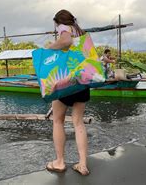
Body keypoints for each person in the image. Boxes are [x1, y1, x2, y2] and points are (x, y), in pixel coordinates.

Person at [45, 9, 90, 176]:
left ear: (58, 22)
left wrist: (51, 47)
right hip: (83, 80)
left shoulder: (64, 28)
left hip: (66, 81)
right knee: (78, 123)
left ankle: (59, 162)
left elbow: (65, 41)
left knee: (58, 121)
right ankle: (83, 164)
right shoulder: (81, 31)